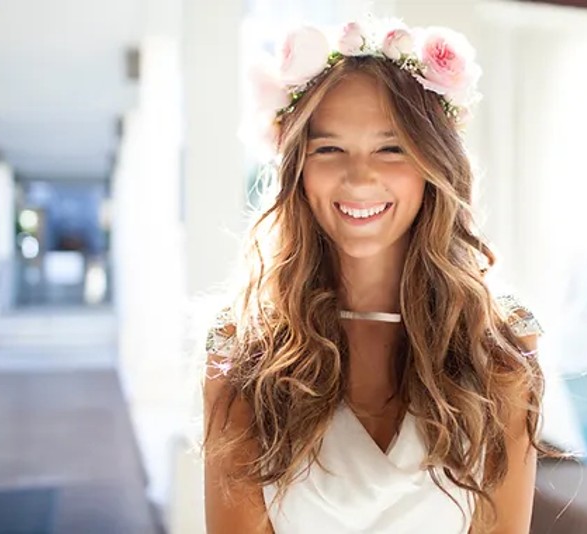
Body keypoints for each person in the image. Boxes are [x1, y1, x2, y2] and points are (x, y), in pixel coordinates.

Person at [202, 18, 548, 534]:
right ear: (297, 168)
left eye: (391, 148)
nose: (360, 176)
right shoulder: (239, 352)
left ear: (434, 164)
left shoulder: (499, 346)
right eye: (329, 148)